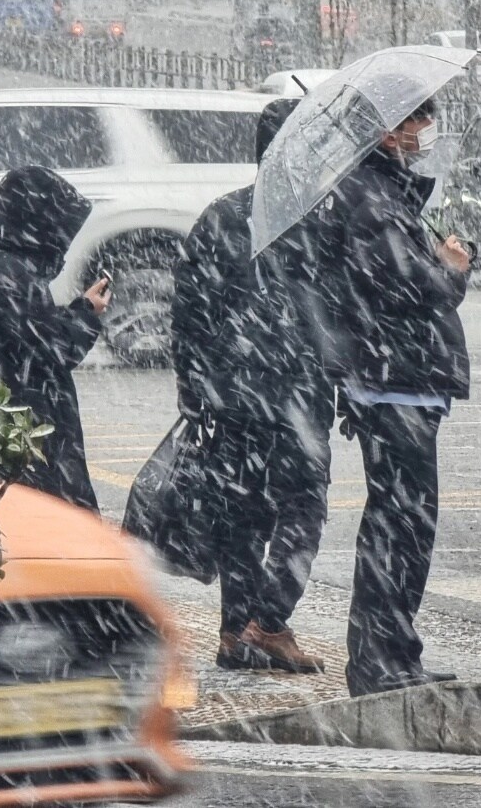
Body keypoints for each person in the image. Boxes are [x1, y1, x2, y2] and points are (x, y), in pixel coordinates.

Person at [313, 99, 472, 697]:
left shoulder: (380, 194)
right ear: (384, 132)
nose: (424, 131)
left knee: (402, 520)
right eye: (414, 121)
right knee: (401, 521)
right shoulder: (373, 201)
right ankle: (382, 657)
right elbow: (411, 288)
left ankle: (392, 652)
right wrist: (452, 268)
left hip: (395, 381)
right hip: (394, 383)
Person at [172, 98, 332, 674]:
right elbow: (336, 312)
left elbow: (188, 314)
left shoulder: (222, 215)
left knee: (239, 514)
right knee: (302, 507)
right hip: (294, 394)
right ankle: (268, 622)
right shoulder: (318, 219)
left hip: (232, 394)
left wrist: (194, 388)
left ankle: (234, 631)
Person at [0, 165, 111, 513]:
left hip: (12, 421)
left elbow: (35, 334)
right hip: (21, 428)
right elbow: (52, 347)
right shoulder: (8, 275)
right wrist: (86, 310)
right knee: (49, 527)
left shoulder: (2, 264)